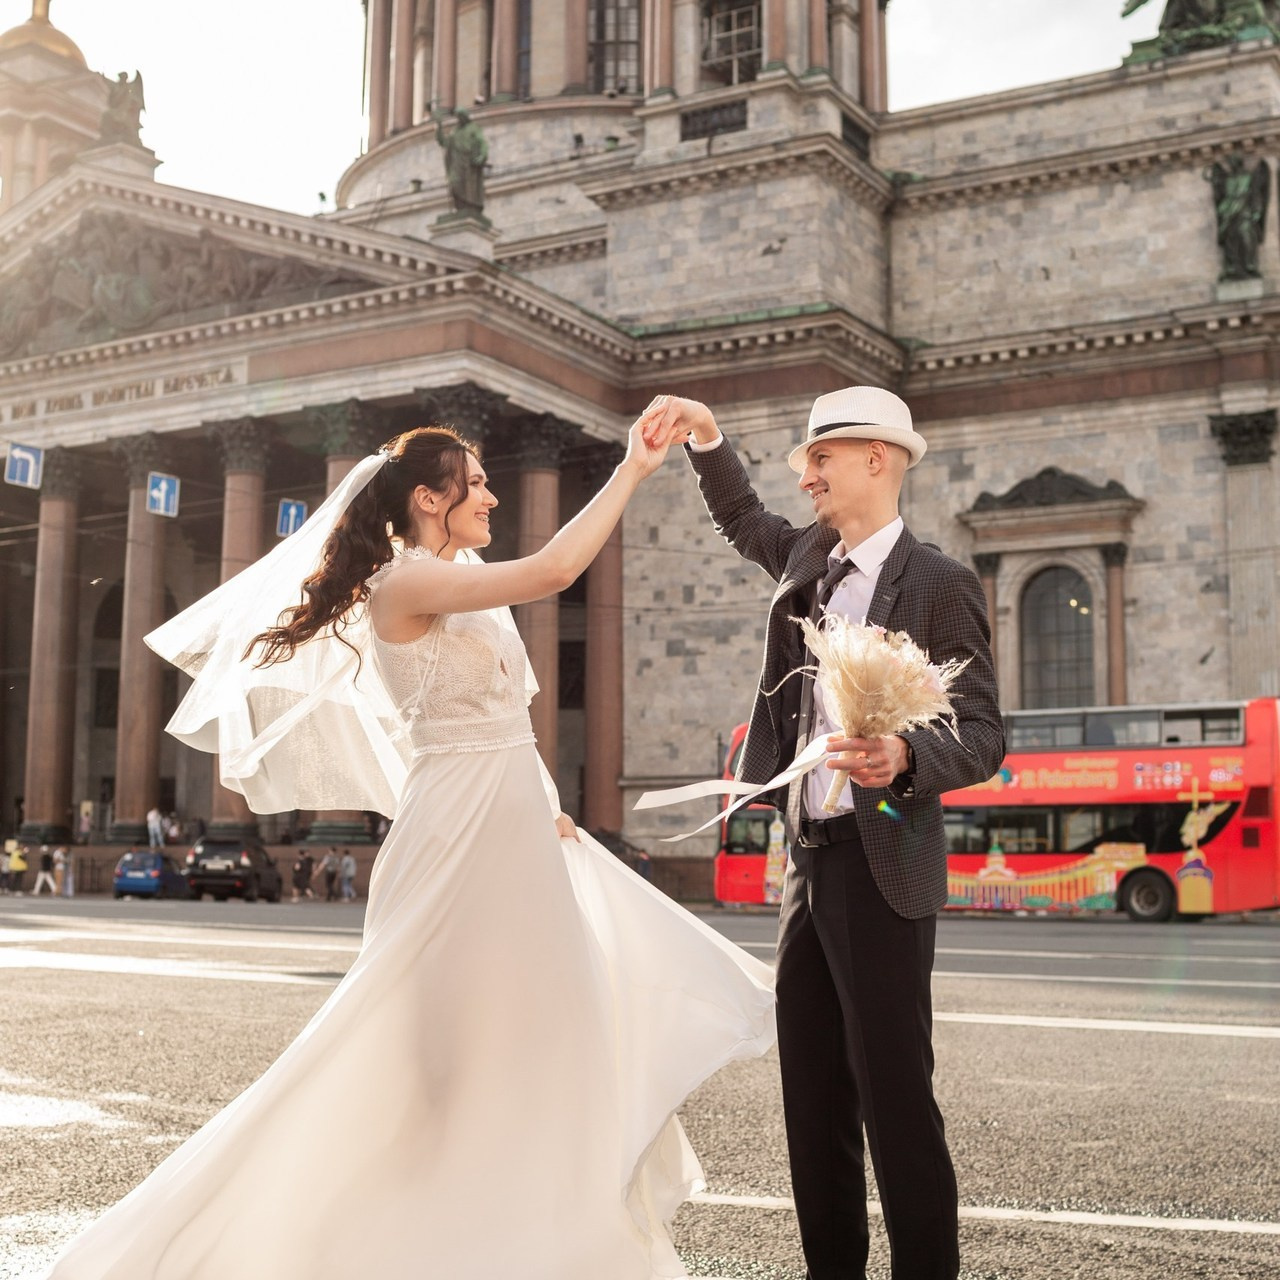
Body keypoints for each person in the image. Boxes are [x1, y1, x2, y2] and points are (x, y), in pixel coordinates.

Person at [45, 412, 774, 1280]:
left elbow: (510, 724)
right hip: (455, 832)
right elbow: (555, 569)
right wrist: (633, 470)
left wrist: (548, 806)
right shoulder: (404, 583)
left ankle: (525, 1230)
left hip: (511, 823)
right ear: (429, 498)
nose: (494, 494)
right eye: (477, 481)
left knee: (547, 1028)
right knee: (433, 1049)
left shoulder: (460, 577)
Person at [645, 388, 1004, 1280]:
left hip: (883, 867)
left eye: (821, 460)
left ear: (877, 459)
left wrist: (905, 755)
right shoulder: (808, 556)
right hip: (805, 863)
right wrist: (706, 432)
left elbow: (987, 734)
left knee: (894, 1104)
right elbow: (739, 516)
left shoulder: (940, 583)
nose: (803, 478)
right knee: (811, 1098)